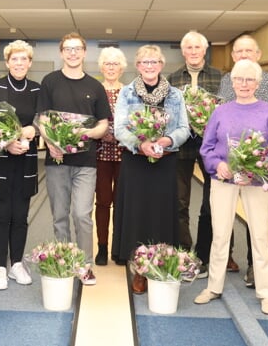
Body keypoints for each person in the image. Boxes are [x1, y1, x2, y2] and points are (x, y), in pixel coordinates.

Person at [195, 59, 268, 315]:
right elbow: (207, 147)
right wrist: (217, 164)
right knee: (220, 234)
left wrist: (258, 170)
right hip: (223, 181)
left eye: (249, 80)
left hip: (256, 183)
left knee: (259, 235)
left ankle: (266, 292)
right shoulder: (220, 111)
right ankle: (214, 286)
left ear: (258, 83)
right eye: (239, 79)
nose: (243, 84)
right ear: (231, 82)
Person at [112, 45, 189, 293]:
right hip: (136, 161)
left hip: (165, 162)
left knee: (161, 214)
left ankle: (160, 262)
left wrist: (166, 141)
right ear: (137, 66)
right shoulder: (126, 93)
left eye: (154, 62)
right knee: (137, 214)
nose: (149, 66)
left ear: (161, 65)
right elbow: (120, 128)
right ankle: (139, 268)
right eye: (144, 62)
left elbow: (183, 129)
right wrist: (141, 143)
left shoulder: (176, 95)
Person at [36, 32, 111, 285]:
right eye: (67, 49)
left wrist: (88, 133)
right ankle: (64, 261)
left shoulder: (95, 86)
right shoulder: (50, 81)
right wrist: (50, 143)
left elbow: (103, 124)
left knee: (81, 214)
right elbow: (43, 119)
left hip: (86, 162)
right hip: (57, 161)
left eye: (76, 48)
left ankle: (86, 265)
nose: (72, 53)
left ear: (84, 52)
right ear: (61, 53)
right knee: (59, 215)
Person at [218, 35, 268, 287]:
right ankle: (224, 262)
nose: (244, 55)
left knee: (257, 225)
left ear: (258, 54)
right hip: (226, 170)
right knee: (222, 221)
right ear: (233, 56)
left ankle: (254, 269)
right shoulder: (226, 82)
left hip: (258, 171)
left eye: (249, 50)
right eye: (239, 51)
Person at [166, 31, 233, 277]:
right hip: (182, 146)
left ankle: (207, 256)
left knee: (213, 202)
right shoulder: (172, 79)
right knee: (179, 201)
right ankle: (184, 253)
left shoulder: (221, 77)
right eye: (189, 48)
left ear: (205, 50)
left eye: (198, 47)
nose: (193, 52)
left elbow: (228, 111)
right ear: (183, 52)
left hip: (213, 148)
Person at [0, 40, 40, 290]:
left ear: (30, 62)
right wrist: (6, 143)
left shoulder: (37, 90)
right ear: (7, 62)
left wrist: (32, 129)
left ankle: (16, 263)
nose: (19, 63)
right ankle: (0, 268)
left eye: (23, 59)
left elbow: (43, 122)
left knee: (21, 216)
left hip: (26, 160)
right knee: (1, 215)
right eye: (14, 59)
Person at [94, 47, 126, 266]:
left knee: (123, 203)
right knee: (103, 202)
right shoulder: (95, 90)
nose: (111, 67)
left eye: (115, 64)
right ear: (101, 67)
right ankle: (103, 247)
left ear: (122, 68)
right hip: (100, 154)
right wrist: (100, 132)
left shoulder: (129, 91)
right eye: (107, 63)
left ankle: (119, 247)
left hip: (126, 156)